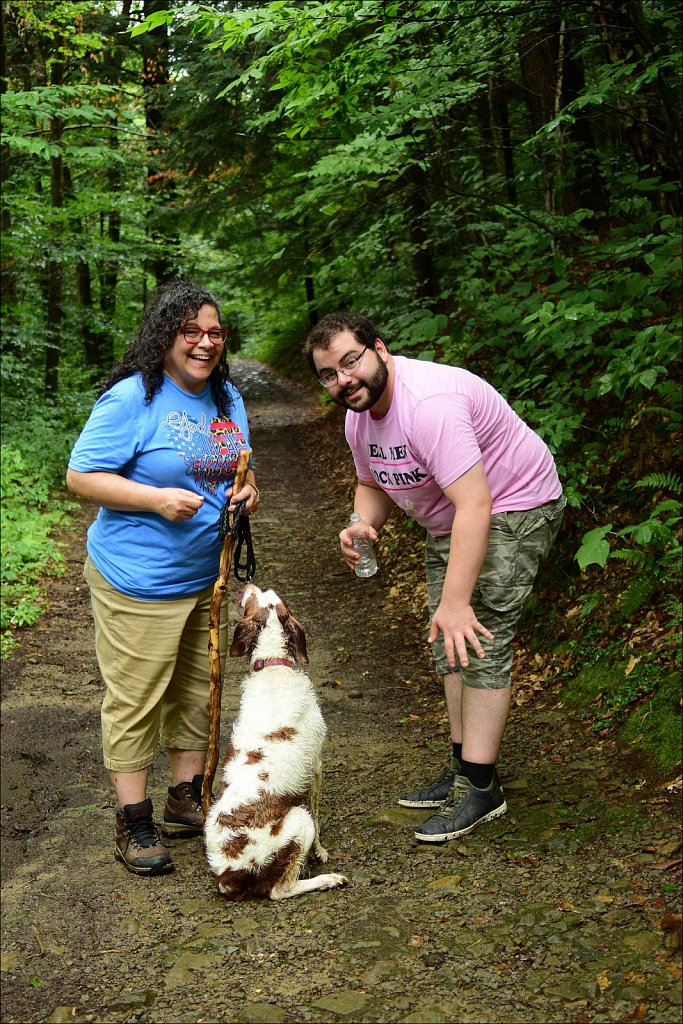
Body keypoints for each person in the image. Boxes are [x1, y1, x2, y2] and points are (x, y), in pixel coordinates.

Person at [304, 312, 565, 843]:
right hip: (452, 518)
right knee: (448, 641)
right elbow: (370, 482)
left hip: (513, 505)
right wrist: (361, 527)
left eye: (350, 362)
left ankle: (483, 788)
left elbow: (477, 502)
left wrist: (458, 599)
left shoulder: (428, 406)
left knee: (480, 635)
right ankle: (465, 767)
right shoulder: (358, 415)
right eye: (329, 374)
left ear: (379, 348)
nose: (343, 380)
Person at [67, 279, 259, 876]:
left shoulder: (227, 397)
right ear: (165, 336)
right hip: (136, 579)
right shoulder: (132, 399)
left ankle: (185, 797)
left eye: (215, 333)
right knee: (137, 698)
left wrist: (246, 492)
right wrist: (153, 500)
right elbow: (81, 475)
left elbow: (238, 469)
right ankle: (134, 820)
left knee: (198, 692)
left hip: (206, 576)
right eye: (191, 332)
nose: (205, 343)